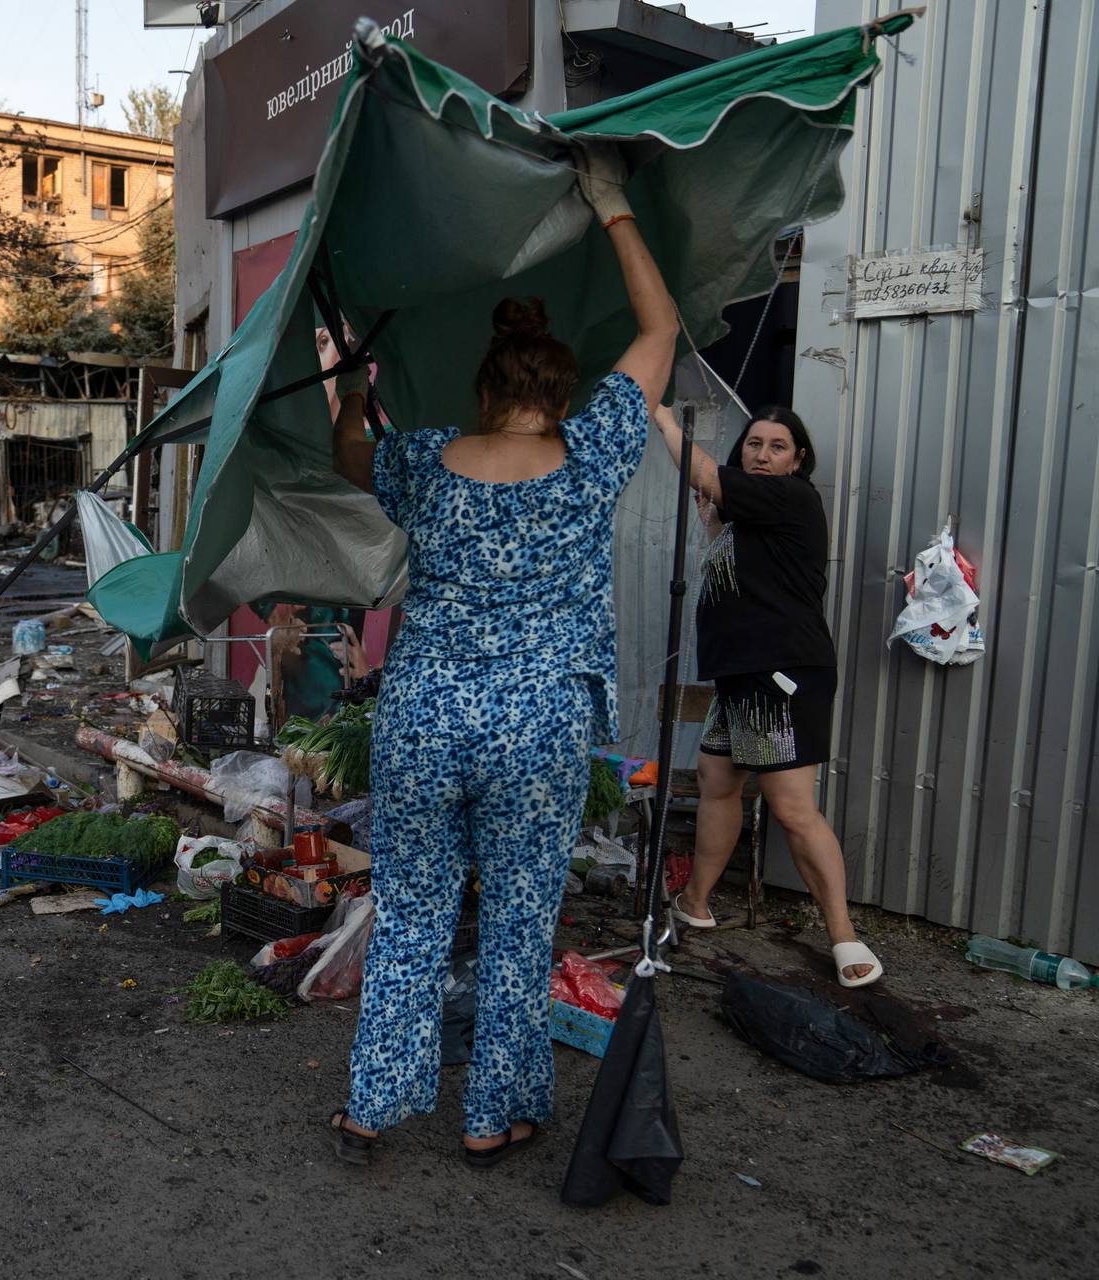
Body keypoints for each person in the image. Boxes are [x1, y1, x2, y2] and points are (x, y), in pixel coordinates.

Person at [324, 146, 677, 1167]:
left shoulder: (426, 461)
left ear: (482, 390)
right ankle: (492, 1113)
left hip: (425, 713)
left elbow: (350, 454)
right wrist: (611, 205)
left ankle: (372, 1103)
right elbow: (659, 329)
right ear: (561, 392)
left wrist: (354, 389)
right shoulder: (595, 450)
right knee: (521, 921)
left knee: (412, 914)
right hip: (539, 724)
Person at [650, 402, 883, 988]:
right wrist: (712, 522)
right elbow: (743, 566)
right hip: (741, 679)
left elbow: (704, 474)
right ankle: (697, 903)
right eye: (754, 443)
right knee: (718, 780)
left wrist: (667, 422)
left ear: (798, 459)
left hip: (781, 677)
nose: (762, 454)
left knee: (792, 807)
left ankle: (843, 935)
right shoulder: (747, 518)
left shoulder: (793, 497)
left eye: (778, 445)